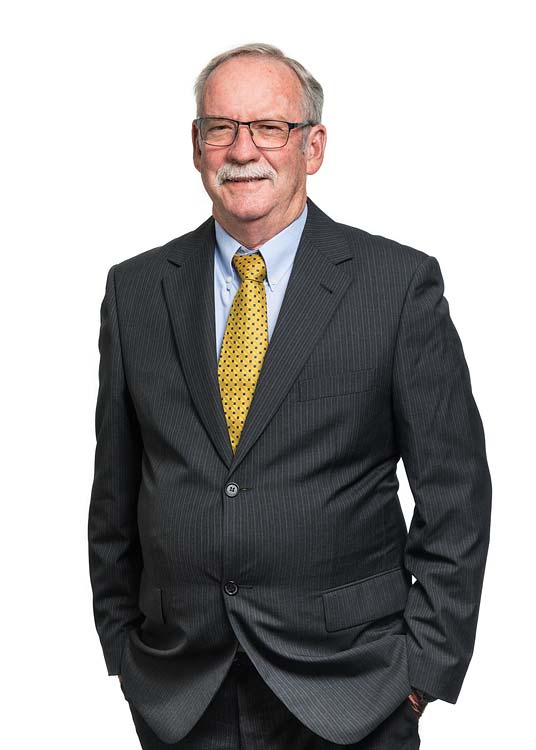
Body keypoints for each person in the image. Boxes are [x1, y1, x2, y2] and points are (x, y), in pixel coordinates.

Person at [88, 42, 492, 749]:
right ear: (196, 146)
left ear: (313, 146)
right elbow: (115, 494)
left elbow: (456, 494)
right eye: (221, 128)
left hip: (353, 693)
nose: (243, 149)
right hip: (182, 695)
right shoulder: (137, 291)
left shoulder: (395, 286)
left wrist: (421, 673)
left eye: (270, 128)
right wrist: (126, 651)